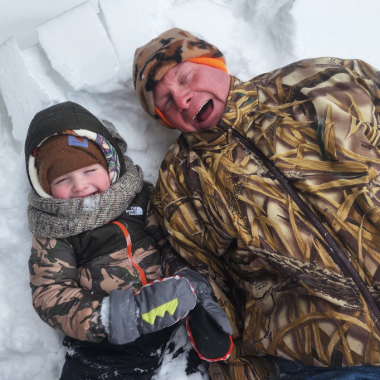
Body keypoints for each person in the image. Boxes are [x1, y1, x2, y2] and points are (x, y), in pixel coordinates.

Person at [133, 28, 380, 380]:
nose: (183, 99)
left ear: (214, 61)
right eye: (167, 102)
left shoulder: (318, 84)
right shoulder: (182, 183)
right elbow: (211, 292)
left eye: (186, 77)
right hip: (326, 358)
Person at [25, 101, 233, 380]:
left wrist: (191, 286)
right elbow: (50, 295)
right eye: (63, 179)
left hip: (170, 321)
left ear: (109, 164)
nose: (80, 186)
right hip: (105, 342)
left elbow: (169, 244)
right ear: (45, 187)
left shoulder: (137, 197)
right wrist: (113, 317)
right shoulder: (54, 228)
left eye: (89, 171)